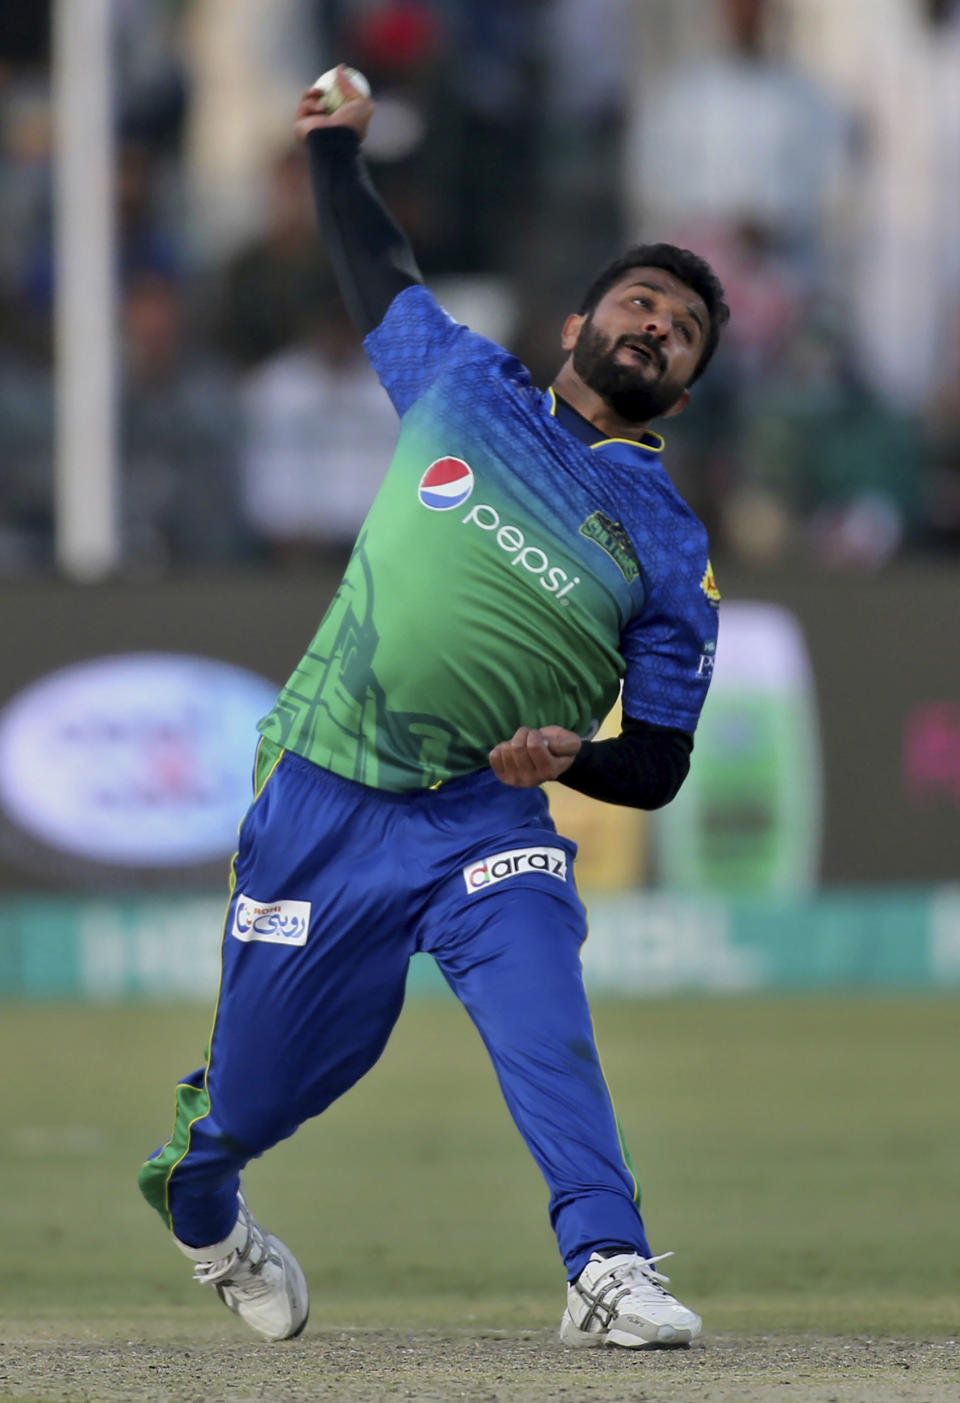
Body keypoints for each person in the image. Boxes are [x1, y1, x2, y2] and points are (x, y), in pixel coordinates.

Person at [138, 68, 729, 1350]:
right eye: (641, 301)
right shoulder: (461, 384)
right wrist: (337, 151)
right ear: (577, 323)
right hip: (324, 795)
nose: (660, 325)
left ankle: (606, 1261)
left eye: (684, 329)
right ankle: (204, 1202)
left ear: (681, 394)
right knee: (262, 1091)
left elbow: (663, 762)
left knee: (542, 1014)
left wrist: (580, 754)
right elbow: (373, 261)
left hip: (483, 814)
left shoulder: (672, 545)